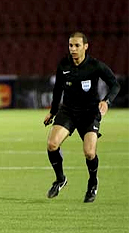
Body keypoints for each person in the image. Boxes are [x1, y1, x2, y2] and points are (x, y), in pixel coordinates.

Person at [43, 32, 120, 203]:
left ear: (85, 47)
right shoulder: (64, 64)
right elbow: (57, 91)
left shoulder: (95, 65)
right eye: (70, 45)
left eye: (77, 45)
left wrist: (106, 101)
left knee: (89, 152)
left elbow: (115, 84)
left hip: (90, 113)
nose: (73, 49)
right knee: (52, 144)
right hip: (68, 111)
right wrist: (53, 111)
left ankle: (93, 182)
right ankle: (60, 179)